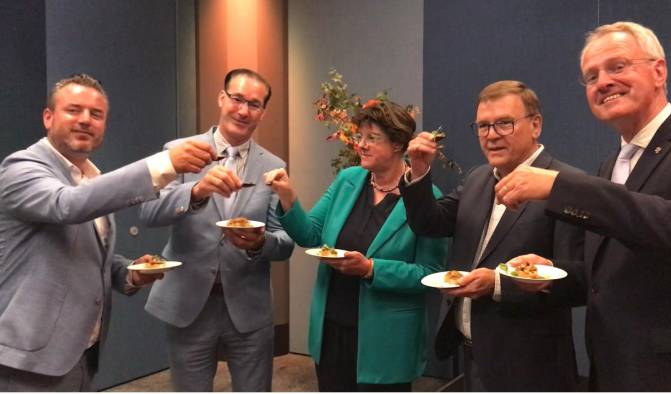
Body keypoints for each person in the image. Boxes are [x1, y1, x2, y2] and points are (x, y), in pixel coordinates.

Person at [495, 21, 671, 391]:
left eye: (617, 66)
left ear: (659, 70)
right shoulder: (612, 165)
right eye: (591, 77)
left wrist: (563, 186)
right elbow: (606, 278)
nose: (602, 82)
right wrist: (550, 276)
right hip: (611, 369)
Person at [0, 73, 216, 391]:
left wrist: (128, 273)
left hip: (81, 354)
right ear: (48, 117)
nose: (86, 120)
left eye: (96, 114)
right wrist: (164, 165)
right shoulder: (21, 168)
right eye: (74, 110)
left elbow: (84, 253)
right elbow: (67, 205)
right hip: (30, 360)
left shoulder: (89, 176)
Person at [400, 80, 584, 391]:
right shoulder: (478, 177)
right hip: (472, 354)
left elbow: (579, 282)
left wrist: (498, 283)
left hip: (530, 366)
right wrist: (418, 173)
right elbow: (430, 223)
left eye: (504, 124)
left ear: (535, 125)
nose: (491, 135)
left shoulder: (566, 185)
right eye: (483, 126)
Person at [266, 100, 448, 391]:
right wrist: (287, 196)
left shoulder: (427, 198)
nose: (361, 145)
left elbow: (430, 273)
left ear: (399, 144)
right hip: (332, 329)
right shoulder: (348, 180)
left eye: (372, 138)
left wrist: (371, 269)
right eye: (360, 136)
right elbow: (310, 235)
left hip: (386, 340)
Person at [138, 68, 294, 392]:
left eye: (254, 104)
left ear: (262, 112)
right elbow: (148, 212)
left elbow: (285, 242)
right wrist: (195, 192)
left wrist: (258, 243)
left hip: (250, 306)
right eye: (237, 99)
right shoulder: (180, 150)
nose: (243, 110)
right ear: (221, 98)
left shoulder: (273, 166)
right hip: (190, 302)